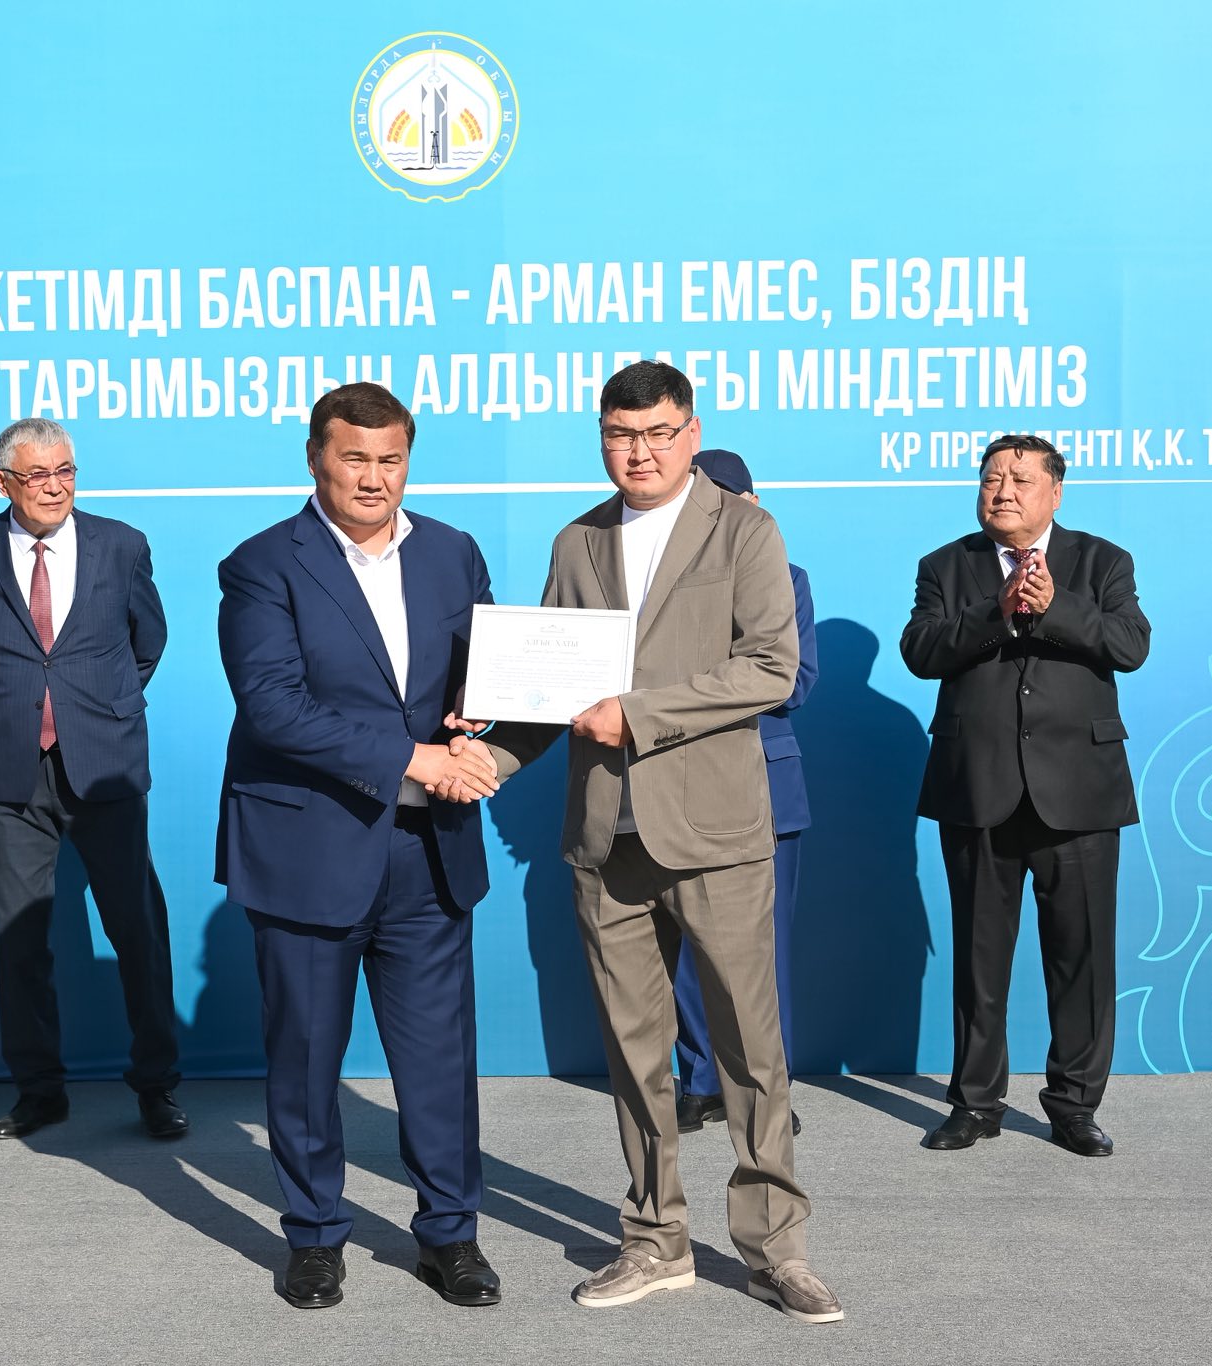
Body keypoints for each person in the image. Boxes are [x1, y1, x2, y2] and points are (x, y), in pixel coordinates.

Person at [474, 362, 842, 1325]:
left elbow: (771, 667)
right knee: (636, 1055)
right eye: (619, 434)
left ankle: (776, 1249)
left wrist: (638, 714)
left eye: (657, 433)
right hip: (607, 835)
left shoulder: (746, 529)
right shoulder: (577, 540)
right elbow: (552, 693)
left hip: (716, 828)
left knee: (750, 1050)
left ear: (690, 433)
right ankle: (654, 1240)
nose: (638, 452)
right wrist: (482, 753)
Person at [216, 382, 505, 1310]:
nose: (374, 478)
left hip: (429, 851)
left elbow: (481, 675)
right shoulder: (261, 565)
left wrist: (480, 718)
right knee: (305, 1061)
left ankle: (450, 1234)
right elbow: (274, 708)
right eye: (354, 458)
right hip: (308, 850)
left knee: (439, 1063)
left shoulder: (454, 552)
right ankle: (313, 1236)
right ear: (316, 459)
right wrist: (416, 757)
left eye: (390, 460)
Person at [0, 418, 184, 1142]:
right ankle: (39, 1091)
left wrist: (90, 710)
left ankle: (158, 1085)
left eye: (65, 471)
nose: (54, 487)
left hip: (105, 764)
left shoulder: (123, 544)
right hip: (10, 769)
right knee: (20, 941)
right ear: (3, 483)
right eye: (37, 475)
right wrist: (20, 709)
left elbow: (147, 642)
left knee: (137, 930)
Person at [900, 432, 1150, 1157]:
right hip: (977, 788)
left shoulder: (1103, 562)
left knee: (1082, 959)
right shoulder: (947, 565)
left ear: (1054, 492)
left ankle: (1074, 1104)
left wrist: (1056, 606)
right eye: (990, 480)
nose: (1001, 491)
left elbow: (1130, 645)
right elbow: (921, 651)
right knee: (980, 960)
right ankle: (976, 1103)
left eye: (1018, 479)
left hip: (1080, 791)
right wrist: (999, 612)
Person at [669, 450, 817, 1139]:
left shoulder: (787, 578)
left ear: (754, 507)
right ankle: (701, 1081)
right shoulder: (658, 582)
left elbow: (793, 683)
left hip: (763, 785)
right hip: (673, 781)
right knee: (685, 949)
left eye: (730, 500)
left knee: (765, 951)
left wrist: (697, 685)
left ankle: (765, 1091)